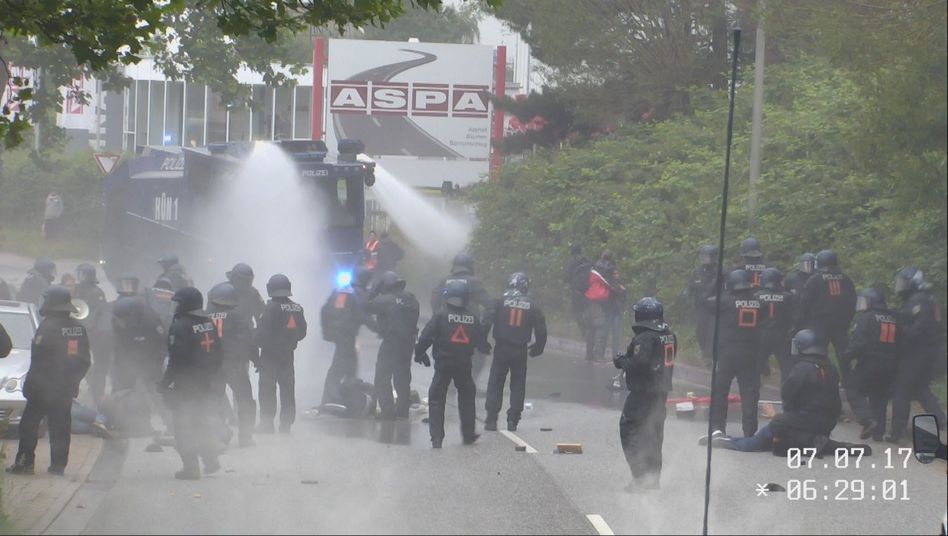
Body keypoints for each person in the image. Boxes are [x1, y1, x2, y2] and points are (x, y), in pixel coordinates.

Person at [710, 329, 864, 457]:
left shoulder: (802, 368)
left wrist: (783, 415)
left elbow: (788, 394)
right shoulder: (831, 368)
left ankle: (724, 442)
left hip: (804, 420)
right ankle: (818, 442)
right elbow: (835, 402)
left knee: (762, 438)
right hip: (827, 423)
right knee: (779, 441)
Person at [7, 286, 91, 476]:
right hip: (65, 389)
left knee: (29, 425)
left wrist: (31, 386)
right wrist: (72, 382)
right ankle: (58, 466)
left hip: (43, 389)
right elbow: (85, 361)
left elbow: (38, 360)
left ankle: (24, 463)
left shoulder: (47, 327)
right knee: (61, 427)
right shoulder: (78, 328)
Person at [415, 279, 491, 448]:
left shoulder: (441, 315)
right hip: (464, 365)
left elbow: (426, 336)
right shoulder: (472, 317)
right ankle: (468, 434)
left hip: (443, 365)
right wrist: (486, 347)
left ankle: (436, 438)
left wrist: (419, 353)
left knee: (436, 398)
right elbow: (482, 343)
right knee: (467, 398)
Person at [158, 287, 223, 480]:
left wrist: (164, 383)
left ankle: (191, 468)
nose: (175, 306)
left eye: (177, 302)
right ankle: (211, 460)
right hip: (204, 383)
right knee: (200, 421)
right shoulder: (208, 323)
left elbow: (176, 359)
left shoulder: (180, 326)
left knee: (183, 426)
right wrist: (210, 375)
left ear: (185, 304)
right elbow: (219, 353)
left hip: (186, 385)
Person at [615, 297, 675, 490]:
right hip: (661, 392)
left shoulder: (645, 338)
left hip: (643, 393)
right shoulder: (669, 335)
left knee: (630, 429)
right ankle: (653, 479)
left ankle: (640, 477)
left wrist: (621, 361)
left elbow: (640, 364)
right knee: (654, 435)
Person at [888, 267, 947, 443]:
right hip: (931, 350)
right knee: (920, 387)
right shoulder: (928, 298)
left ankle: (897, 431)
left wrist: (898, 324)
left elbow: (915, 332)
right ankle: (940, 418)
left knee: (902, 389)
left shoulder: (918, 301)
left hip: (918, 351)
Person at [484, 272, 547, 432]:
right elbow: (541, 329)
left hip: (501, 348)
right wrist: (538, 347)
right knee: (518, 385)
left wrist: (481, 342)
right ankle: (513, 420)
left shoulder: (499, 301)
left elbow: (486, 321)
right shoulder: (532, 305)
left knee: (495, 382)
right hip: (520, 350)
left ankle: (491, 419)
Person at [705, 269, 761, 439]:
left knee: (720, 391)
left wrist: (716, 283)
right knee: (750, 392)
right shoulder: (759, 303)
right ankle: (750, 431)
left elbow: (703, 301)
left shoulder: (724, 301)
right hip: (751, 353)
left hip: (727, 353)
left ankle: (717, 428)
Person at [840, 288, 899, 441]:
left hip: (870, 362)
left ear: (872, 302)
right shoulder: (894, 318)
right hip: (891, 364)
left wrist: (846, 356)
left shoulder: (867, 318)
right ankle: (878, 432)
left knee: (853, 388)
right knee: (879, 396)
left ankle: (867, 420)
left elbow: (859, 343)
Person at [206, 283, 258, 447]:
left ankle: (220, 435)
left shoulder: (205, 318)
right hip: (234, 365)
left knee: (213, 400)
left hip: (212, 366)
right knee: (245, 400)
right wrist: (256, 359)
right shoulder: (238, 316)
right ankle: (245, 437)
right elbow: (248, 340)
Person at [256, 274, 307, 434]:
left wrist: (256, 342)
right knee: (287, 390)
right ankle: (286, 425)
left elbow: (262, 334)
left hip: (269, 356)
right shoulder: (297, 307)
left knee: (267, 390)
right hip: (287, 356)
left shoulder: (270, 308)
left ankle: (267, 424)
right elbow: (302, 332)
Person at [430, 253, 492, 381]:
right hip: (469, 325)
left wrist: (439, 317)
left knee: (442, 351)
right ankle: (471, 380)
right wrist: (484, 324)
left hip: (446, 324)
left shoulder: (445, 280)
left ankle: (444, 381)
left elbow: (434, 300)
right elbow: (488, 304)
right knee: (479, 353)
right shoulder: (474, 282)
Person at [367, 271, 419, 420]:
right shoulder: (411, 298)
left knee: (382, 377)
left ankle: (387, 412)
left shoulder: (385, 300)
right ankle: (403, 412)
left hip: (391, 342)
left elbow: (367, 306)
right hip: (408, 343)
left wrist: (374, 290)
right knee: (402, 378)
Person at [320, 268, 374, 407]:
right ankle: (335, 398)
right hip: (347, 336)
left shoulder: (340, 291)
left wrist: (327, 333)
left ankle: (342, 396)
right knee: (340, 367)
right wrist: (381, 330)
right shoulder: (357, 293)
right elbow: (363, 316)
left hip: (340, 336)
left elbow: (324, 311)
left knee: (346, 366)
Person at [793, 249, 856, 359]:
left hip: (820, 323)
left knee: (818, 353)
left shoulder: (815, 279)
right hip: (841, 323)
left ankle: (822, 374)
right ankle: (847, 375)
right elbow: (852, 301)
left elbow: (805, 302)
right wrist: (848, 319)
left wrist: (799, 323)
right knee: (844, 355)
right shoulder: (845, 279)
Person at [110, 276, 166, 394]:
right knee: (123, 391)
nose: (121, 322)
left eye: (124, 320)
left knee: (156, 391)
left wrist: (156, 364)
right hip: (129, 358)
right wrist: (119, 364)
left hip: (150, 358)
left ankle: (162, 410)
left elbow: (162, 344)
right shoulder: (119, 318)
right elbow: (118, 342)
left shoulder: (151, 320)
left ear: (132, 315)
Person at [74, 263, 113, 406]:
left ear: (85, 275)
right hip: (84, 333)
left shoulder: (96, 293)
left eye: (80, 273)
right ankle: (94, 387)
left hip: (95, 335)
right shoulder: (79, 290)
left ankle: (98, 394)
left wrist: (87, 326)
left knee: (99, 366)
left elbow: (97, 314)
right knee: (80, 361)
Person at [754, 268, 794, 379]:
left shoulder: (757, 296)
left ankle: (752, 389)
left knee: (757, 363)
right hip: (781, 334)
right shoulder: (788, 297)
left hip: (762, 334)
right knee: (786, 365)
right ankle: (787, 391)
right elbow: (792, 316)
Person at [686, 245, 718, 368]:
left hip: (714, 309)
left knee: (712, 333)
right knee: (700, 332)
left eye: (707, 256)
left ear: (713, 257)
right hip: (701, 308)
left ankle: (709, 357)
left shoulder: (720, 272)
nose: (704, 259)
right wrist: (687, 293)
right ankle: (705, 353)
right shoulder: (697, 271)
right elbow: (690, 286)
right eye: (703, 256)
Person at [584, 251, 616, 363]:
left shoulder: (594, 268)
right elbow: (612, 285)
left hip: (588, 300)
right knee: (599, 328)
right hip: (598, 302)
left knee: (590, 329)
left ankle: (588, 355)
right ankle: (598, 357)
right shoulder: (608, 270)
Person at [564, 244, 592, 338]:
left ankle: (584, 330)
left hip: (576, 291)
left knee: (577, 311)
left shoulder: (572, 261)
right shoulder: (587, 260)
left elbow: (567, 277)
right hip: (589, 290)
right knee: (587, 310)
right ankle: (591, 330)